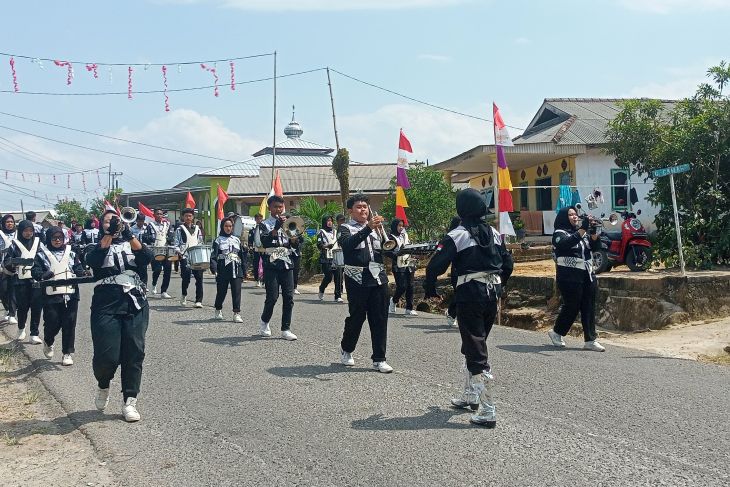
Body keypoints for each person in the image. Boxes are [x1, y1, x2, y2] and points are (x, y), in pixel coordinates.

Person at [424, 189, 514, 427]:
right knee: (476, 343)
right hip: (492, 293)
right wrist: (499, 285)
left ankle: (488, 409)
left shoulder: (458, 235)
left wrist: (431, 288)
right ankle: (471, 395)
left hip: (470, 293)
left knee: (475, 348)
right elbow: (508, 263)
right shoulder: (494, 233)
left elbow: (435, 266)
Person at [85, 209, 153, 422]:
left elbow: (147, 257)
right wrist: (109, 235)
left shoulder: (132, 241)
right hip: (106, 305)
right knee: (107, 357)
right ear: (101, 225)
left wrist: (129, 234)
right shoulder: (95, 245)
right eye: (108, 222)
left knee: (134, 352)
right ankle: (103, 384)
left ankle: (129, 401)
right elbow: (94, 261)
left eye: (116, 221)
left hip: (135, 304)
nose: (113, 224)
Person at [338, 194, 393, 373]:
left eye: (365, 206)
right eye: (359, 207)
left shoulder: (377, 228)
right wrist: (368, 228)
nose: (364, 210)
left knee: (380, 317)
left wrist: (392, 244)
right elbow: (347, 245)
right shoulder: (345, 228)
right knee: (357, 316)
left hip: (378, 276)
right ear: (350, 210)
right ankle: (346, 348)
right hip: (357, 277)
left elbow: (388, 250)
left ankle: (379, 359)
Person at [548, 207, 606, 352]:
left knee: (589, 306)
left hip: (587, 274)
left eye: (575, 214)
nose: (575, 217)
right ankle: (557, 332)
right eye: (571, 214)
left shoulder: (582, 233)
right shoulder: (559, 233)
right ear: (563, 217)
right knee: (572, 305)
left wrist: (594, 233)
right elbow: (566, 243)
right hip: (569, 276)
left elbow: (595, 247)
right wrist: (583, 229)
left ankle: (590, 340)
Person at [32, 226, 86, 366]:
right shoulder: (41, 254)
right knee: (52, 322)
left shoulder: (71, 252)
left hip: (71, 294)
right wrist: (43, 275)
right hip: (51, 295)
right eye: (54, 238)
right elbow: (35, 271)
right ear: (49, 239)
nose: (57, 240)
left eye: (60, 238)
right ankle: (49, 341)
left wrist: (81, 273)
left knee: (69, 322)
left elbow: (78, 268)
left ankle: (67, 353)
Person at [258, 195, 298, 341]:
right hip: (271, 263)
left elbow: (295, 244)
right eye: (275, 207)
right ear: (270, 208)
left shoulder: (288, 222)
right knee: (272, 297)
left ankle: (286, 329)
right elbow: (265, 241)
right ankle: (264, 321)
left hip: (287, 263)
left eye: (281, 207)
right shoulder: (264, 224)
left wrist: (295, 238)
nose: (278, 209)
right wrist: (276, 228)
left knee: (289, 297)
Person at [3, 220, 44, 343]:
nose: (28, 233)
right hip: (20, 281)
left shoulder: (38, 243)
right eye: (25, 231)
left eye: (30, 230)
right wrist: (12, 264)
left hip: (36, 280)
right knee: (22, 307)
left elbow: (44, 258)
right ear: (20, 231)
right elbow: (6, 262)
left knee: (37, 307)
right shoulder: (14, 244)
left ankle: (34, 334)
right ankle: (21, 328)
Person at [210, 218, 245, 322]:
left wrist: (244, 270)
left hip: (236, 269)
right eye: (226, 226)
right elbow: (213, 256)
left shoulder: (237, 240)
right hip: (223, 269)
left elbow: (242, 256)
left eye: (230, 226)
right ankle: (218, 309)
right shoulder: (218, 240)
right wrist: (214, 269)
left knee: (236, 291)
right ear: (222, 227)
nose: (228, 228)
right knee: (221, 291)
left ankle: (236, 313)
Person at [386, 218, 417, 316]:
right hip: (398, 264)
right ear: (394, 226)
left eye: (402, 226)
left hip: (409, 262)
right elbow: (387, 251)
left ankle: (409, 308)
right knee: (402, 286)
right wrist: (397, 254)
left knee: (410, 286)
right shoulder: (390, 237)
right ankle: (393, 300)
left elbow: (409, 246)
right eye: (399, 225)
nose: (401, 227)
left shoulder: (405, 235)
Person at [174, 208, 204, 307]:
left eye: (190, 216)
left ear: (193, 217)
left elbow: (200, 241)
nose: (188, 217)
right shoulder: (179, 229)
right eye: (186, 216)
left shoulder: (197, 229)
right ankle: (184, 294)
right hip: (185, 256)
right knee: (186, 277)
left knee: (199, 278)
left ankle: (198, 300)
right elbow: (176, 244)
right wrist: (179, 252)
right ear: (183, 217)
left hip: (196, 256)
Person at [143, 208, 173, 298]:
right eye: (157, 214)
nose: (159, 215)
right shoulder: (150, 225)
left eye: (161, 214)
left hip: (166, 249)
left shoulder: (167, 225)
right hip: (155, 250)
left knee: (168, 269)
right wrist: (153, 239)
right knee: (157, 269)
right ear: (154, 215)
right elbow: (146, 237)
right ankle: (154, 283)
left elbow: (171, 235)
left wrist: (169, 239)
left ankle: (164, 291)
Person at [317, 215, 343, 303]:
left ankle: (337, 296)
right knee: (328, 276)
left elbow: (341, 242)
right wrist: (327, 246)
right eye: (328, 220)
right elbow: (319, 245)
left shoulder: (336, 232)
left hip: (337, 256)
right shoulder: (321, 232)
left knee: (338, 276)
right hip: (326, 257)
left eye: (331, 220)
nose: (329, 222)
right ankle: (322, 288)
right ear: (325, 222)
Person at [0, 214, 18, 325]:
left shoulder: (18, 234)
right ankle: (7, 308)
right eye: (7, 222)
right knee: (3, 290)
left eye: (11, 222)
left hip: (16, 266)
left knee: (13, 290)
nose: (9, 224)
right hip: (2, 267)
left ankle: (12, 314)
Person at [445, 216, 461, 328]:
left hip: (467, 269)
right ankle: (451, 313)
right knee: (459, 293)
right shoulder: (451, 237)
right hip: (456, 269)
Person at [130, 213, 150, 285]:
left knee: (144, 268)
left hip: (144, 250)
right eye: (139, 221)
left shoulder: (146, 228)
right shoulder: (131, 229)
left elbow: (149, 238)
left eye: (142, 220)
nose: (141, 222)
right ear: (136, 220)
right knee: (135, 267)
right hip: (135, 251)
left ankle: (144, 284)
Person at [248, 213, 264, 287]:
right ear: (255, 220)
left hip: (264, 249)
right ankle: (257, 279)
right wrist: (250, 247)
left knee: (265, 263)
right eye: (257, 219)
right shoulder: (253, 230)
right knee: (256, 264)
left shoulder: (265, 229)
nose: (259, 220)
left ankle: (264, 279)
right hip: (256, 248)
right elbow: (250, 240)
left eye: (260, 219)